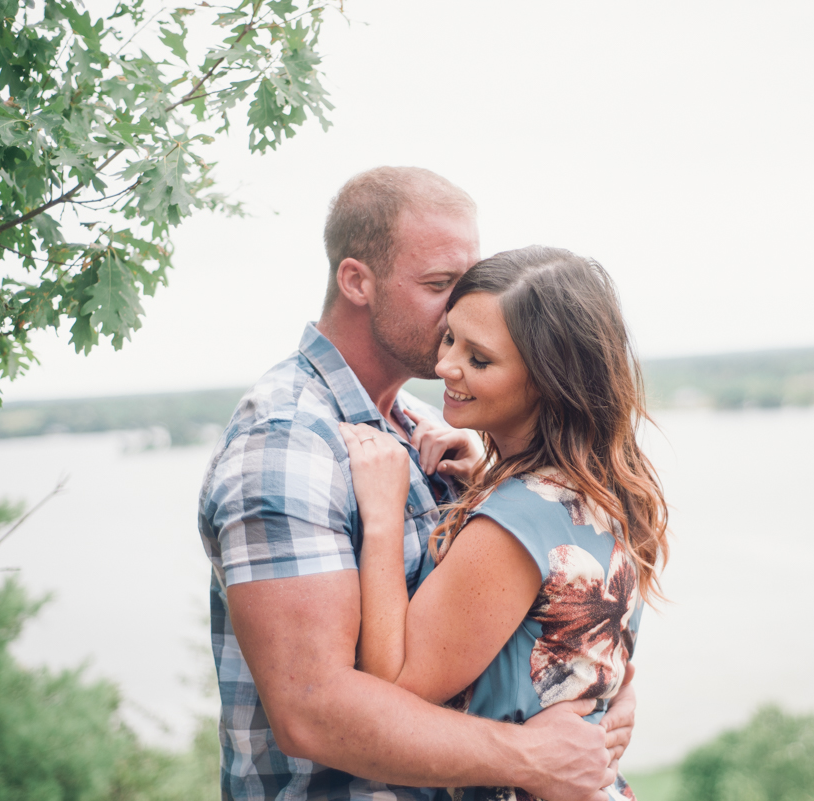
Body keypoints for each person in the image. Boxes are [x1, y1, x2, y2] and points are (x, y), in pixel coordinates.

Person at [198, 167, 635, 801]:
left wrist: (605, 691)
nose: (463, 305)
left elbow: (520, 614)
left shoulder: (429, 429)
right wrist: (531, 758)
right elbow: (311, 709)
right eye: (439, 285)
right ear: (357, 281)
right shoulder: (288, 442)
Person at [339, 246, 670, 801]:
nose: (445, 366)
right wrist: (484, 479)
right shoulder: (607, 487)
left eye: (480, 359)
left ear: (546, 379)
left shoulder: (514, 523)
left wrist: (381, 515)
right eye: (450, 338)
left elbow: (395, 688)